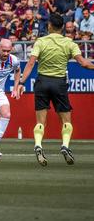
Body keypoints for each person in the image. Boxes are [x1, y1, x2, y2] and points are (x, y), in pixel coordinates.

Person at [17, 13, 94, 167]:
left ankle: (38, 145)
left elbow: (30, 64)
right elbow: (83, 63)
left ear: (49, 26)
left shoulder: (41, 41)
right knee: (66, 120)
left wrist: (21, 82)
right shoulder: (70, 43)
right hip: (59, 83)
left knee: (40, 121)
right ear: (63, 27)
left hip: (42, 82)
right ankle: (65, 146)